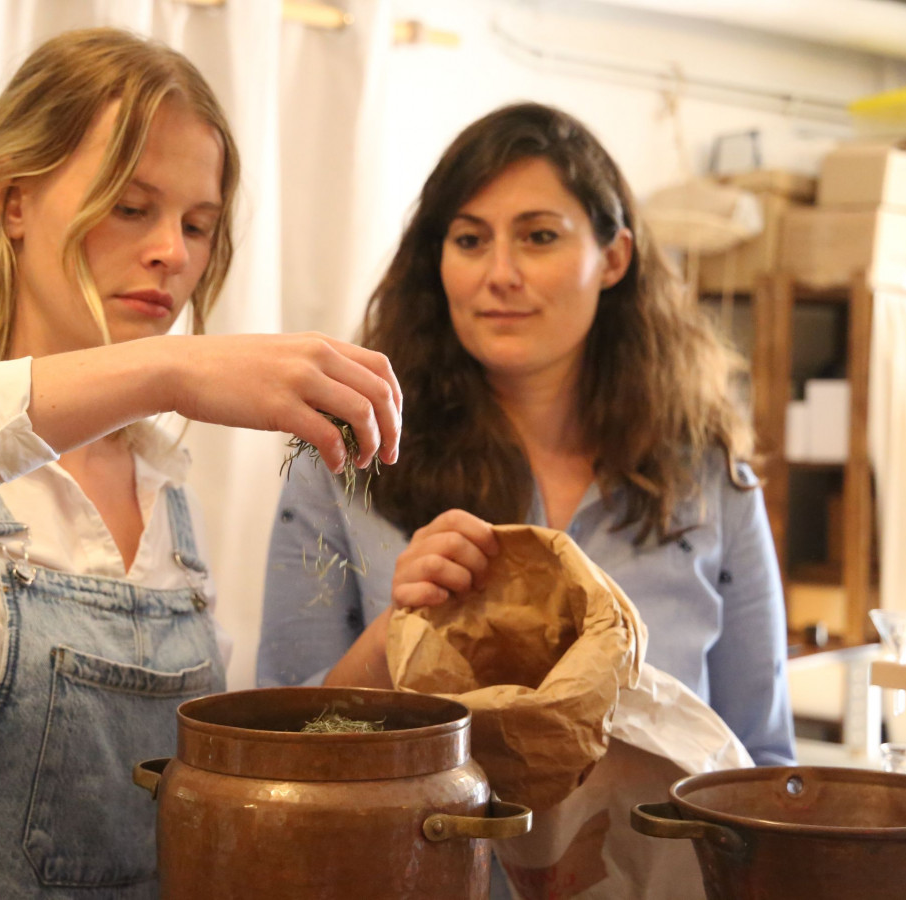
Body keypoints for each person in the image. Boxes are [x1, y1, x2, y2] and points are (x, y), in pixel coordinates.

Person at [0, 28, 400, 899]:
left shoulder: (168, 496)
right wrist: (167, 369)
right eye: (133, 207)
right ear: (14, 203)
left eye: (198, 225)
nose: (174, 252)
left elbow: (215, 787)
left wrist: (403, 639)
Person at [258, 102, 795, 771]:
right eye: (470, 240)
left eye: (539, 237)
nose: (500, 274)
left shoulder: (709, 478)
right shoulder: (343, 462)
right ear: (438, 261)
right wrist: (396, 633)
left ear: (614, 256)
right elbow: (277, 747)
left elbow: (762, 762)